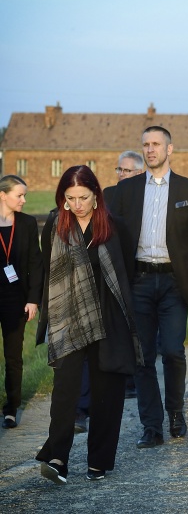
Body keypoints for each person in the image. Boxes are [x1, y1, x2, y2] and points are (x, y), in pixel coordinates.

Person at [35, 165, 143, 484]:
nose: (78, 204)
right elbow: (48, 274)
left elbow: (128, 272)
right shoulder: (55, 226)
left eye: (83, 197)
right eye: (70, 198)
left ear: (96, 195)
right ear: (63, 198)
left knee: (107, 395)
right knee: (65, 393)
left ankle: (99, 461)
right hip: (68, 318)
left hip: (108, 318)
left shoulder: (115, 227)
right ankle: (57, 458)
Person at [110, 126, 188, 449]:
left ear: (170, 149)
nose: (150, 150)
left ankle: (175, 412)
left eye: (156, 144)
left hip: (173, 282)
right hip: (137, 281)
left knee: (174, 351)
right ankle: (151, 425)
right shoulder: (127, 190)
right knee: (142, 356)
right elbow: (115, 239)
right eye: (146, 145)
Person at [0, 175, 42, 430]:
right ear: (3, 195)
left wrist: (33, 300)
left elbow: (36, 264)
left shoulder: (26, 223)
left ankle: (11, 408)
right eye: (20, 195)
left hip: (16, 300)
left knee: (13, 357)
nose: (24, 200)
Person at [103, 150, 143, 400]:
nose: (121, 174)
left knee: (135, 326)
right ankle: (118, 375)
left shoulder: (144, 195)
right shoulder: (107, 194)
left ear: (139, 173)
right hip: (113, 266)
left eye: (126, 170)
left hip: (138, 268)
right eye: (119, 169)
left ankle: (133, 378)